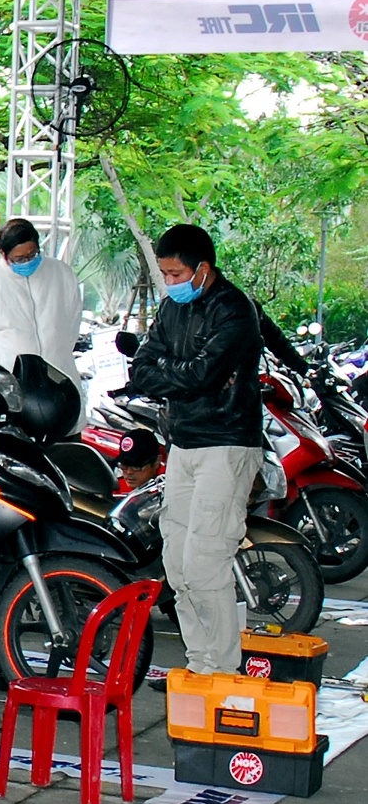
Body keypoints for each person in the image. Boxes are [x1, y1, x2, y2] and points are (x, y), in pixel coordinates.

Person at [129, 223, 263, 676]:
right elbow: (142, 368)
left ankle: (222, 672)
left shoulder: (234, 310)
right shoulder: (171, 310)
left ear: (202, 269)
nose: (169, 282)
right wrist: (178, 370)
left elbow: (202, 375)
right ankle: (198, 663)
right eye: (164, 274)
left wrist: (174, 371)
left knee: (206, 564)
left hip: (227, 444)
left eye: (175, 273)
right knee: (177, 566)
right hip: (182, 444)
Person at [0, 216, 82, 389]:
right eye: (19, 259)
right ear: (3, 253)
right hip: (8, 383)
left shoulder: (62, 274)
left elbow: (71, 326)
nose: (28, 262)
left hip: (58, 376)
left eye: (33, 255)